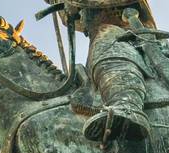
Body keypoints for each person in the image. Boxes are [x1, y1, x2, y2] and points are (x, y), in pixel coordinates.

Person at [63, 0, 156, 141]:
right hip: (99, 33)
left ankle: (127, 107)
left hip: (125, 29)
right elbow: (75, 21)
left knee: (108, 54)